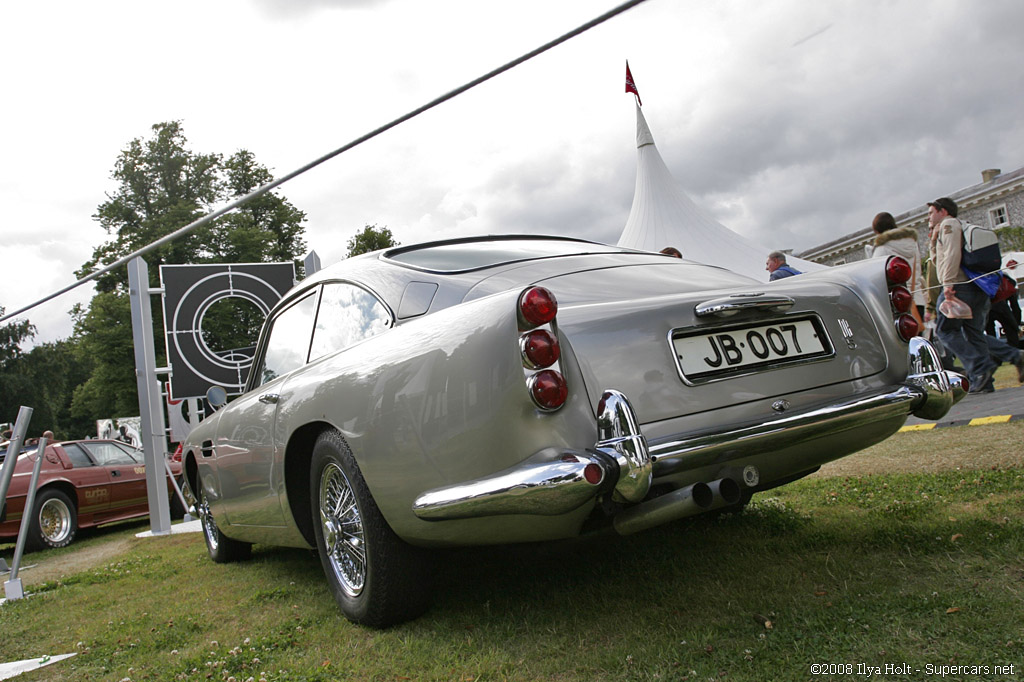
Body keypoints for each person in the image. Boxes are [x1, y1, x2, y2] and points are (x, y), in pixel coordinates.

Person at [929, 197, 1024, 393]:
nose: (928, 216)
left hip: (958, 285)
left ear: (943, 211)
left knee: (945, 331)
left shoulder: (949, 224)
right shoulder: (957, 225)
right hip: (976, 287)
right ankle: (990, 376)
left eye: (931, 212)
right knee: (973, 333)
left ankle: (979, 369)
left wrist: (947, 285)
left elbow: (951, 254)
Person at [869, 211, 926, 322]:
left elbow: (876, 278)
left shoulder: (882, 248)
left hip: (899, 302)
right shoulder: (913, 244)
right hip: (917, 299)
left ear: (877, 231)